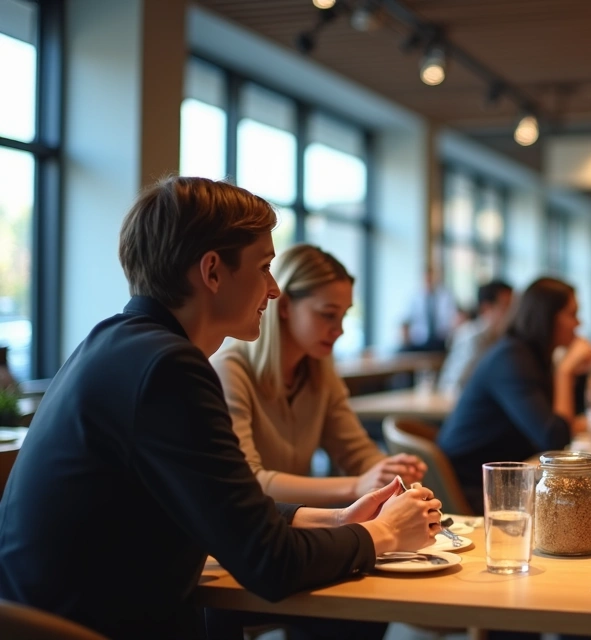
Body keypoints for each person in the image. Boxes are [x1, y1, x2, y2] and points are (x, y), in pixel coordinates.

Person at [0, 177, 442, 638]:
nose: (273, 290)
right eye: (265, 267)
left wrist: (337, 518)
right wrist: (384, 534)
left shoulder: (114, 342)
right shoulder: (170, 369)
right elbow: (269, 563)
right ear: (212, 272)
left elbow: (225, 507)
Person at [212, 244, 426, 507]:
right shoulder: (228, 369)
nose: (339, 330)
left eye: (343, 316)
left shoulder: (320, 370)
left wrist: (391, 475)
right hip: (247, 534)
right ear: (285, 306)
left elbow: (356, 453)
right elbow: (249, 480)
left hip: (297, 528)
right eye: (328, 315)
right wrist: (358, 485)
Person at [437, 277, 591, 513]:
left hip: (505, 481)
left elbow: (568, 422)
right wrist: (565, 372)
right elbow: (554, 440)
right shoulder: (511, 358)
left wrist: (577, 374)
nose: (578, 323)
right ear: (547, 317)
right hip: (473, 488)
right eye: (571, 314)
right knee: (585, 499)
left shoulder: (529, 355)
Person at [437, 279, 514, 395]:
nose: (511, 314)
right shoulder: (473, 338)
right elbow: (453, 385)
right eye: (505, 306)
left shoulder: (503, 337)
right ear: (486, 308)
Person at [401, 266, 457, 353]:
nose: (429, 282)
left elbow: (452, 318)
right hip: (420, 341)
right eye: (426, 279)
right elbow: (408, 320)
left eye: (431, 279)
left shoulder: (446, 296)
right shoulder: (415, 297)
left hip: (441, 341)